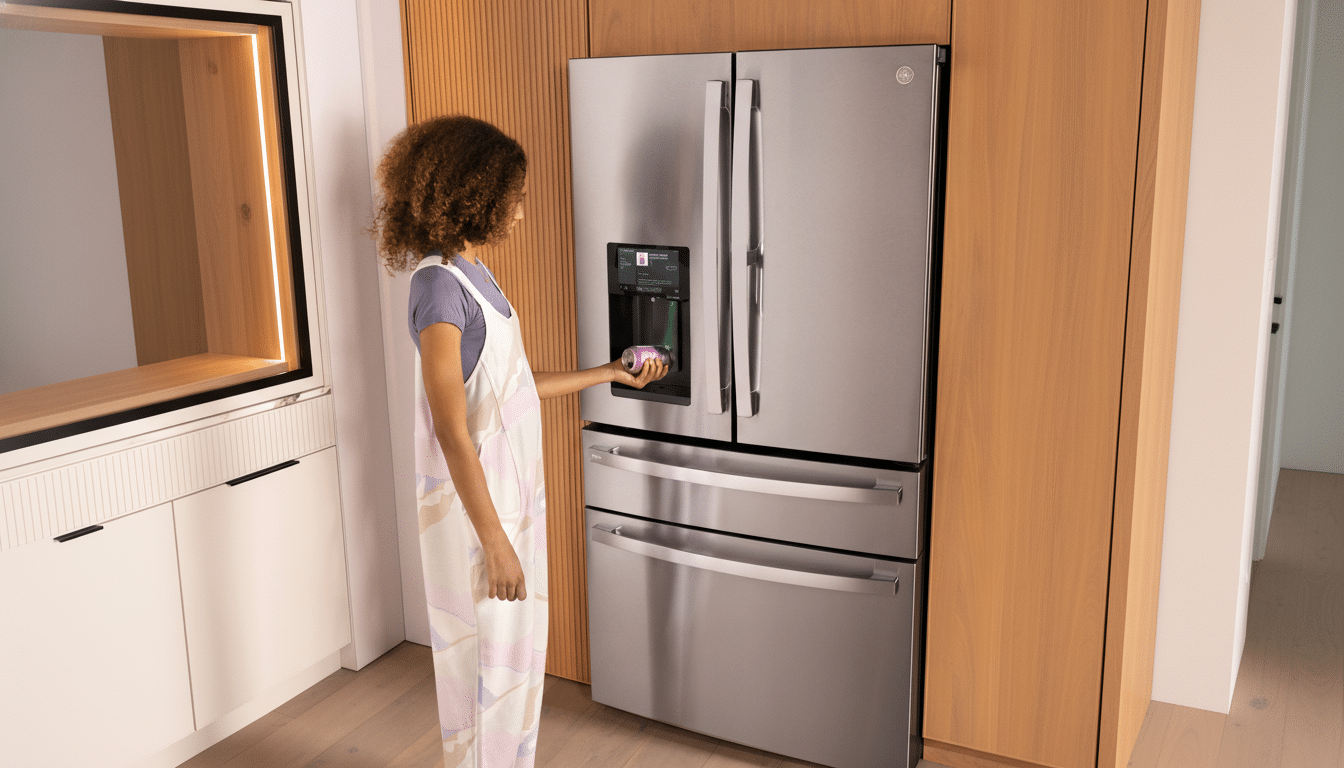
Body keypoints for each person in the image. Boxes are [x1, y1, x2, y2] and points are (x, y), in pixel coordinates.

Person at [373, 115, 666, 768]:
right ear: (474, 194)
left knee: (516, 669)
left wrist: (611, 372)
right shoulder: (438, 288)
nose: (521, 213)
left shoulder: (475, 275)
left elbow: (511, 386)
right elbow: (451, 429)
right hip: (480, 522)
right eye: (516, 197)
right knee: (487, 673)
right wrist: (497, 544)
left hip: (513, 506)